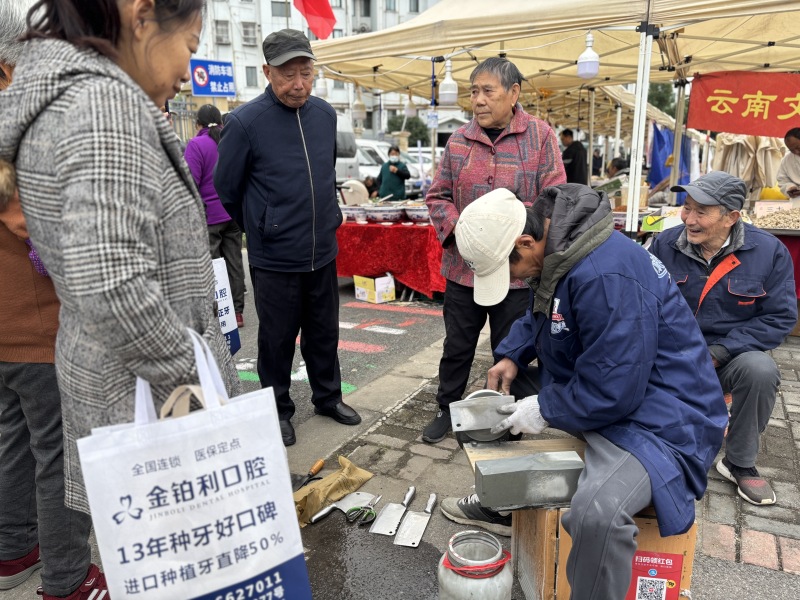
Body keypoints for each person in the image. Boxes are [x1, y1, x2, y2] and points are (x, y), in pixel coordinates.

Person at [1, 3, 242, 589]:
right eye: (189, 44)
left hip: (111, 377)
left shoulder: (64, 96)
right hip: (142, 394)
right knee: (175, 566)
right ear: (141, 16)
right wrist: (190, 379)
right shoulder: (102, 106)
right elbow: (111, 283)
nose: (188, 70)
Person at [440, 185, 727, 599]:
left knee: (597, 514)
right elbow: (542, 310)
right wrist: (512, 356)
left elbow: (615, 390)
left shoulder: (605, 277)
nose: (513, 277)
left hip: (661, 416)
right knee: (503, 392)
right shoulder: (561, 248)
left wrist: (543, 409)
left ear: (525, 241)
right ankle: (501, 499)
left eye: (509, 266)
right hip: (613, 385)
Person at [0, 3, 106, 597]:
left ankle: (14, 551)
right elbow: (38, 226)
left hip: (4, 328)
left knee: (13, 442)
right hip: (40, 329)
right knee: (61, 458)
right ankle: (68, 580)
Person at [214, 29, 359, 447]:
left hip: (321, 247)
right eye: (288, 74)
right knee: (276, 339)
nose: (299, 84)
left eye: (306, 73)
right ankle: (277, 409)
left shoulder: (324, 116)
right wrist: (261, 227)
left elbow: (325, 173)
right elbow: (227, 188)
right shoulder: (244, 122)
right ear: (267, 72)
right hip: (274, 255)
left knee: (324, 331)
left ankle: (328, 397)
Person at [423, 57, 565, 444]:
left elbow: (554, 198)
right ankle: (447, 409)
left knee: (514, 348)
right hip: (464, 268)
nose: (479, 100)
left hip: (515, 272)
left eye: (488, 91)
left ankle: (508, 417)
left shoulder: (540, 136)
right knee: (457, 346)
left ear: (514, 93)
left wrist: (522, 238)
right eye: (474, 92)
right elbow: (437, 196)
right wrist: (463, 236)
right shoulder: (458, 140)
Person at [650, 171, 797, 505]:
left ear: (732, 217)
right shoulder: (663, 243)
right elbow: (642, 302)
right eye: (686, 208)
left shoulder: (769, 252)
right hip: (673, 357)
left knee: (761, 370)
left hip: (727, 359)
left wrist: (720, 350)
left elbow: (780, 317)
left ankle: (738, 462)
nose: (689, 218)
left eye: (701, 211)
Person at [184, 103, 246, 328]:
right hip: (232, 214)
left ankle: (217, 313)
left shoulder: (195, 145)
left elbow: (190, 182)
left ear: (198, 124)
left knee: (211, 266)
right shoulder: (230, 140)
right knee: (234, 264)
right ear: (220, 121)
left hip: (209, 218)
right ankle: (237, 313)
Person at [777, 128, 800, 198]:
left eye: (798, 147)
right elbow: (782, 180)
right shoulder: (787, 160)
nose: (796, 152)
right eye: (792, 150)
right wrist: (790, 188)